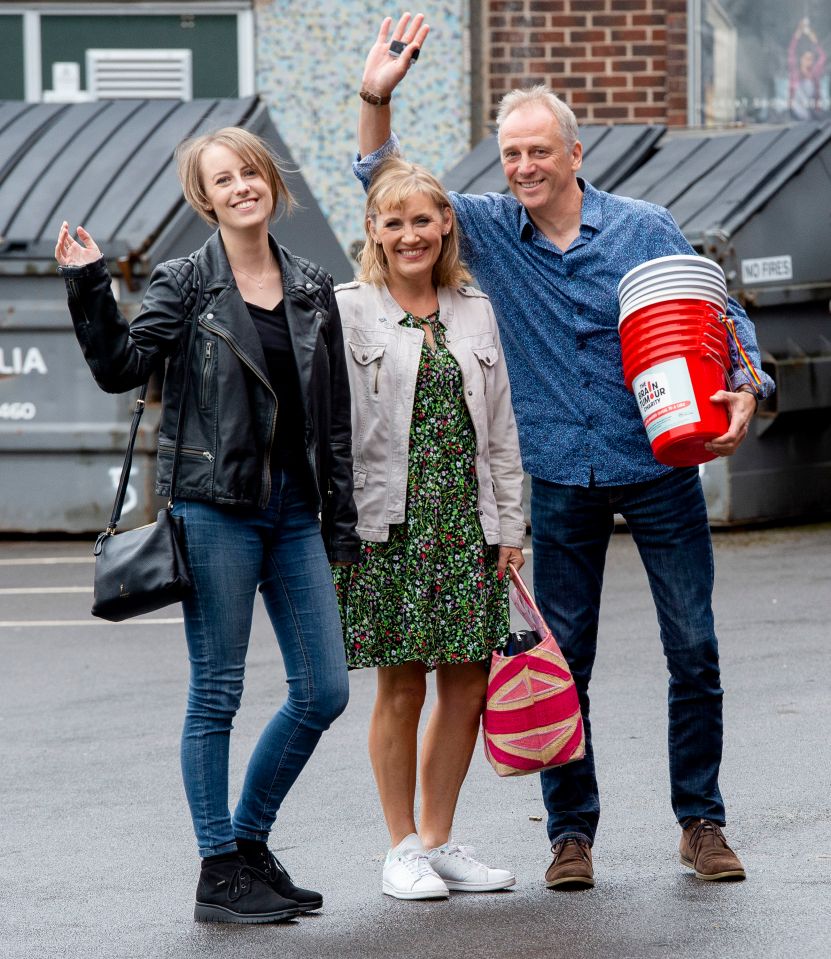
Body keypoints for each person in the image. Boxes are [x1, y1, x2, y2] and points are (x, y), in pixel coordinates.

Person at [353, 13, 776, 890]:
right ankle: (569, 834)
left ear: (575, 153)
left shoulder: (641, 226)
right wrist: (374, 97)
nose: (524, 168)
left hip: (657, 461)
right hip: (556, 473)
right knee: (561, 658)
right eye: (510, 154)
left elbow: (716, 306)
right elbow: (384, 184)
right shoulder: (486, 231)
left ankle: (701, 821)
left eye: (539, 151)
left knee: (692, 645)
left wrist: (750, 382)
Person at [55, 127, 359, 923]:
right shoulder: (185, 281)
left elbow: (333, 421)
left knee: (323, 690)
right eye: (222, 179)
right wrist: (89, 284)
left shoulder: (312, 285)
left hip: (295, 511)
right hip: (213, 504)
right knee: (216, 692)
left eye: (248, 171)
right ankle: (217, 870)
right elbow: (121, 368)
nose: (239, 187)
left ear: (269, 181)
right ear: (205, 197)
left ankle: (249, 842)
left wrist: (343, 526)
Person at [334, 156, 526, 899]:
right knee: (401, 682)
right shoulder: (349, 308)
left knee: (469, 681)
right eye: (395, 222)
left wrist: (511, 526)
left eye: (423, 219)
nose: (410, 234)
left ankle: (440, 840)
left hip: (468, 520)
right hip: (391, 522)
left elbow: (502, 430)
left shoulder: (473, 308)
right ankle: (399, 846)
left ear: (445, 223)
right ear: (373, 231)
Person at [788, 17, 827, 121]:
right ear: (801, 59)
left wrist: (814, 40)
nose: (809, 61)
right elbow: (791, 51)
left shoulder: (815, 73)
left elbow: (823, 56)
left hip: (812, 116)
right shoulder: (795, 74)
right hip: (796, 115)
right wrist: (798, 33)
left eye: (811, 59)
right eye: (806, 58)